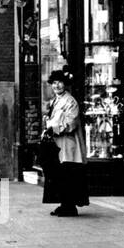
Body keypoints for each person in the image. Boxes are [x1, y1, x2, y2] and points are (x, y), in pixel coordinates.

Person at [43, 69, 89, 217]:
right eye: (54, 83)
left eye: (60, 82)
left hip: (68, 144)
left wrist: (53, 128)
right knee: (60, 175)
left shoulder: (70, 101)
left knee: (67, 174)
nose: (57, 86)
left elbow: (71, 122)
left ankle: (69, 206)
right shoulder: (55, 100)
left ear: (65, 84)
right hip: (58, 144)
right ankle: (64, 204)